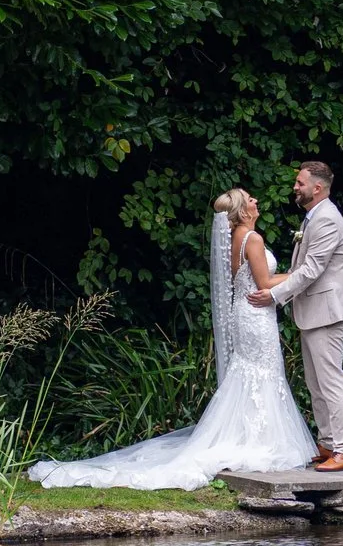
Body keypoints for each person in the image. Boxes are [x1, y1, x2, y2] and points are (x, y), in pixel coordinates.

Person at [25, 188, 315, 490]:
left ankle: (249, 435)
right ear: (243, 211)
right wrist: (300, 273)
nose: (256, 201)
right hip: (256, 316)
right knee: (262, 373)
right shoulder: (252, 239)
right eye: (250, 199)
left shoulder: (234, 240)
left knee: (250, 374)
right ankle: (259, 441)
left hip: (246, 312)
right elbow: (265, 282)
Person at [248, 160, 343, 472]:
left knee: (330, 380)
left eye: (300, 183)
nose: (295, 187)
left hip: (327, 312)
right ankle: (327, 443)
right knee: (316, 382)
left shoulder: (326, 220)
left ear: (317, 187)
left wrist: (274, 294)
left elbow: (311, 270)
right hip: (314, 312)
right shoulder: (314, 217)